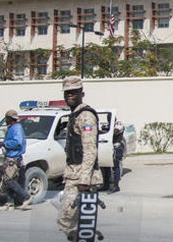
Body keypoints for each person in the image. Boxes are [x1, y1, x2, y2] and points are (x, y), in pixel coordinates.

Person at [57, 76, 103, 240]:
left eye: (73, 93)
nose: (69, 96)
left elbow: (90, 149)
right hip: (74, 174)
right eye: (67, 93)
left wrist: (84, 179)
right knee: (73, 223)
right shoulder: (74, 115)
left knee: (73, 221)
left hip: (82, 177)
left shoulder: (85, 116)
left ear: (81, 93)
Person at [0, 109, 32, 211]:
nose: (6, 120)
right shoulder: (12, 128)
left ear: (9, 118)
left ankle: (26, 197)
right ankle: (9, 203)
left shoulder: (16, 128)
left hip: (14, 158)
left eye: (6, 118)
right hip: (10, 157)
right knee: (8, 181)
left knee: (9, 180)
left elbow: (18, 143)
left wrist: (4, 144)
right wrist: (2, 144)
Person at [110, 120, 125, 193]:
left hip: (117, 146)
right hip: (112, 147)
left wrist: (109, 130)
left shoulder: (118, 124)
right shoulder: (111, 125)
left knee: (116, 166)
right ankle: (110, 184)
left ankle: (116, 185)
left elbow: (116, 131)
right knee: (112, 167)